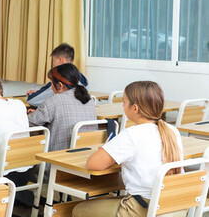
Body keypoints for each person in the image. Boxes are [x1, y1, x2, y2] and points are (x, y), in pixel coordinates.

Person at [72, 81, 185, 217]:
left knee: (78, 210)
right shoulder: (172, 130)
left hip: (142, 208)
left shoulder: (131, 134)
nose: (122, 105)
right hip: (173, 205)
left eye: (124, 102)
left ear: (135, 108)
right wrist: (114, 152)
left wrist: (109, 152)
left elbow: (93, 164)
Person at [28, 64, 97, 153]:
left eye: (51, 83)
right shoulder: (89, 99)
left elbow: (30, 122)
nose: (51, 86)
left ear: (60, 85)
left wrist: (31, 115)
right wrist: (40, 113)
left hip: (58, 158)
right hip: (86, 155)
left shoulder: (54, 100)